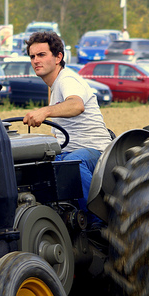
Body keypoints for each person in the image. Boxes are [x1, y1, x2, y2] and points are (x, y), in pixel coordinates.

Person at [23, 31, 112, 225]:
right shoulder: (53, 87)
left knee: (71, 164)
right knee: (35, 168)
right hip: (68, 152)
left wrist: (45, 112)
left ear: (58, 57)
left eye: (41, 55)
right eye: (32, 56)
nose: (36, 60)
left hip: (96, 151)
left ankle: (99, 221)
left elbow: (76, 105)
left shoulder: (67, 80)